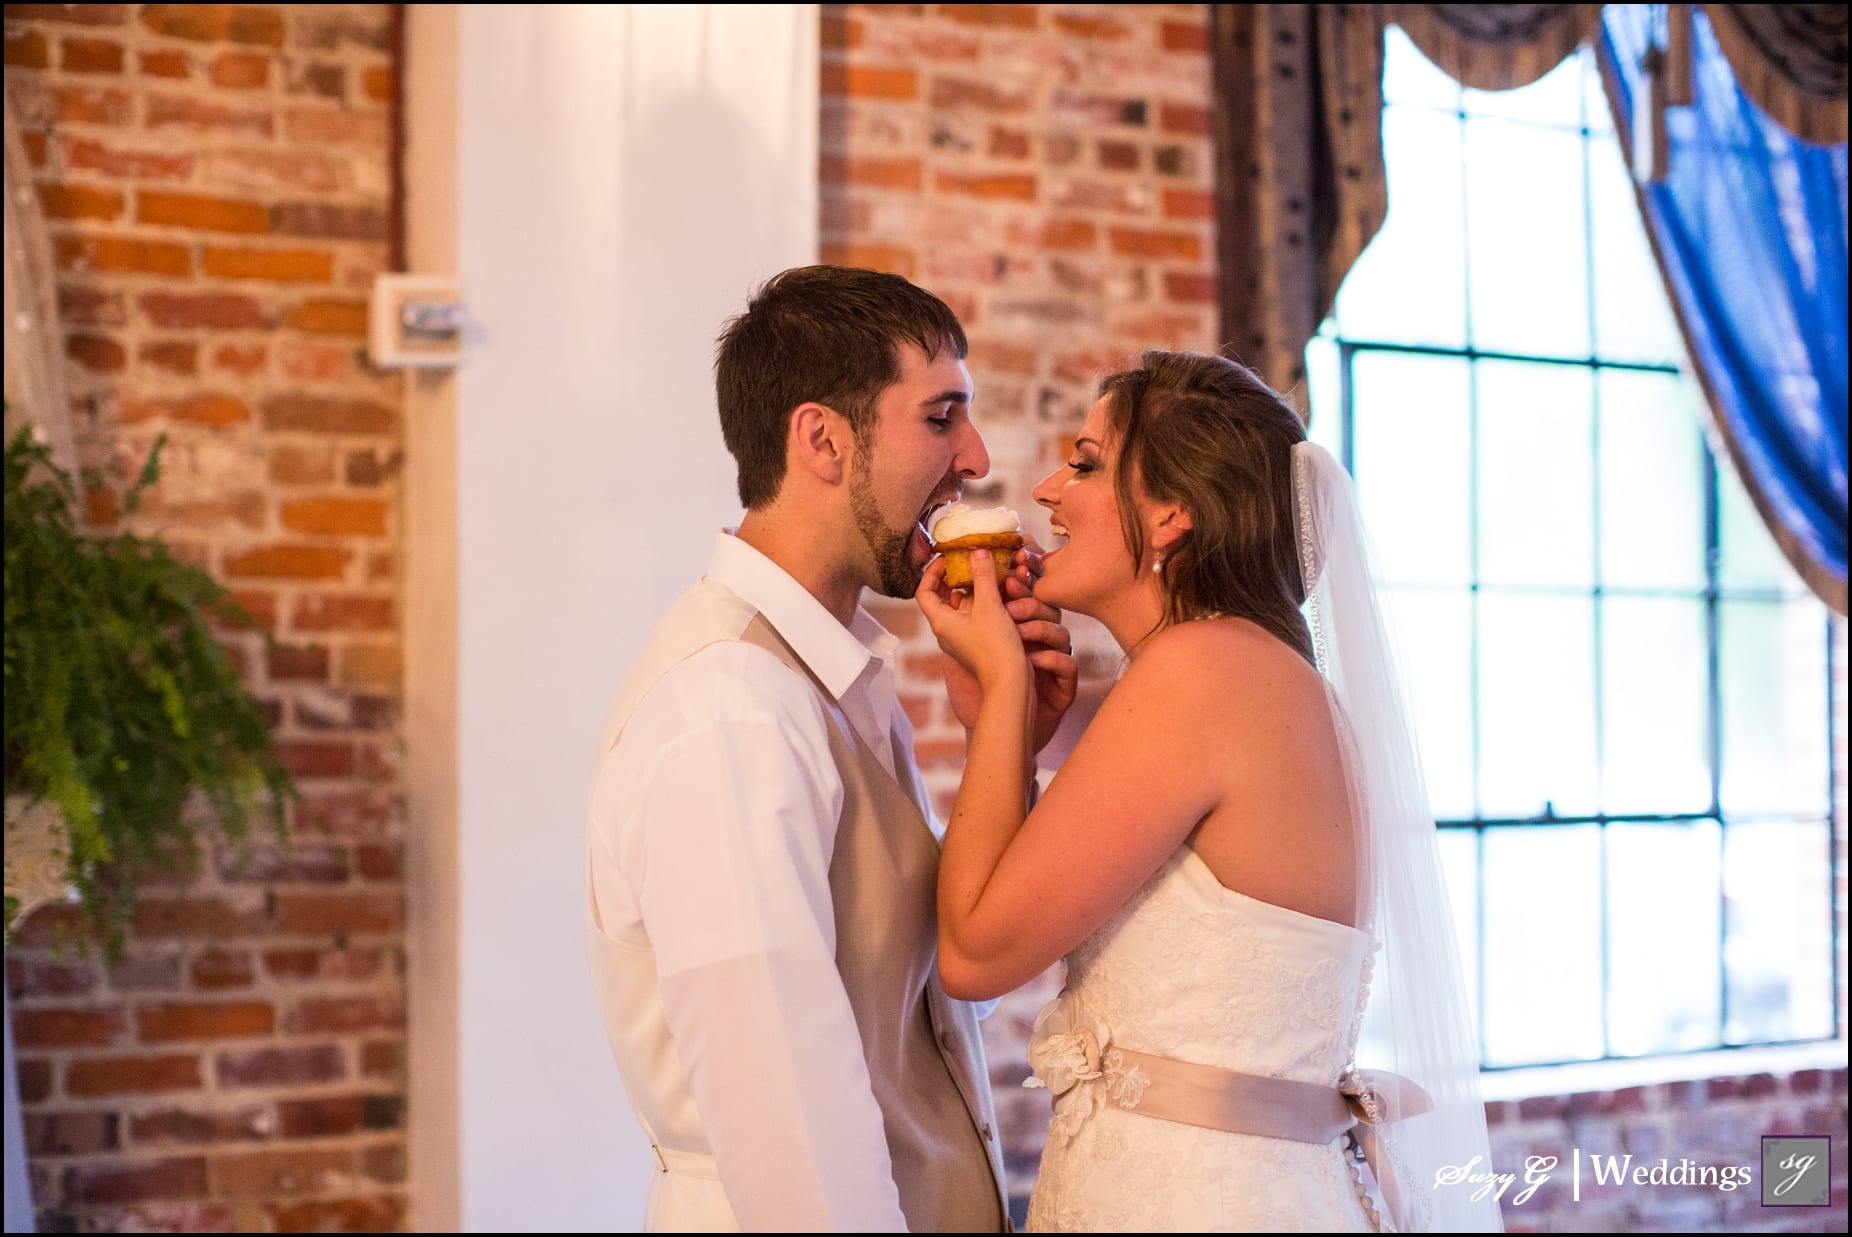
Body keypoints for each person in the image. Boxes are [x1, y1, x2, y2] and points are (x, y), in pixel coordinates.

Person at [917, 349, 1503, 1232]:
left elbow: (970, 953)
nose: (1046, 489)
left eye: (1085, 462)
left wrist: (1002, 692)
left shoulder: (1203, 675)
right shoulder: (1255, 680)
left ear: (1172, 514)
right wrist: (999, 715)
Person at [583, 265, 1078, 1232]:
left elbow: (927, 990)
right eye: (942, 417)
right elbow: (794, 1132)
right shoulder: (732, 709)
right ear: (821, 438)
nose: (975, 455)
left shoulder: (835, 679)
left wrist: (1004, 734)